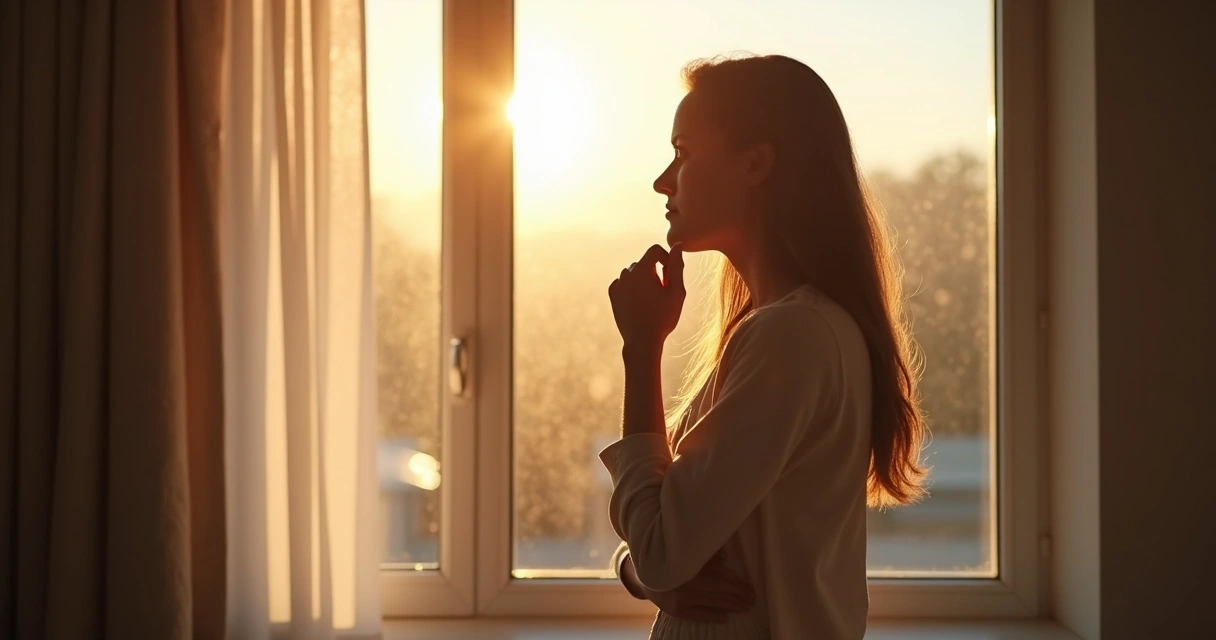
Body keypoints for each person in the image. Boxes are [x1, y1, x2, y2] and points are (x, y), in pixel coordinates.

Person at [601, 53, 929, 639]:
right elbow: (660, 536)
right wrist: (640, 570)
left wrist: (640, 351)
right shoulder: (777, 327)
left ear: (755, 163)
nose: (662, 181)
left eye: (683, 152)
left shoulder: (791, 337)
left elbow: (659, 549)